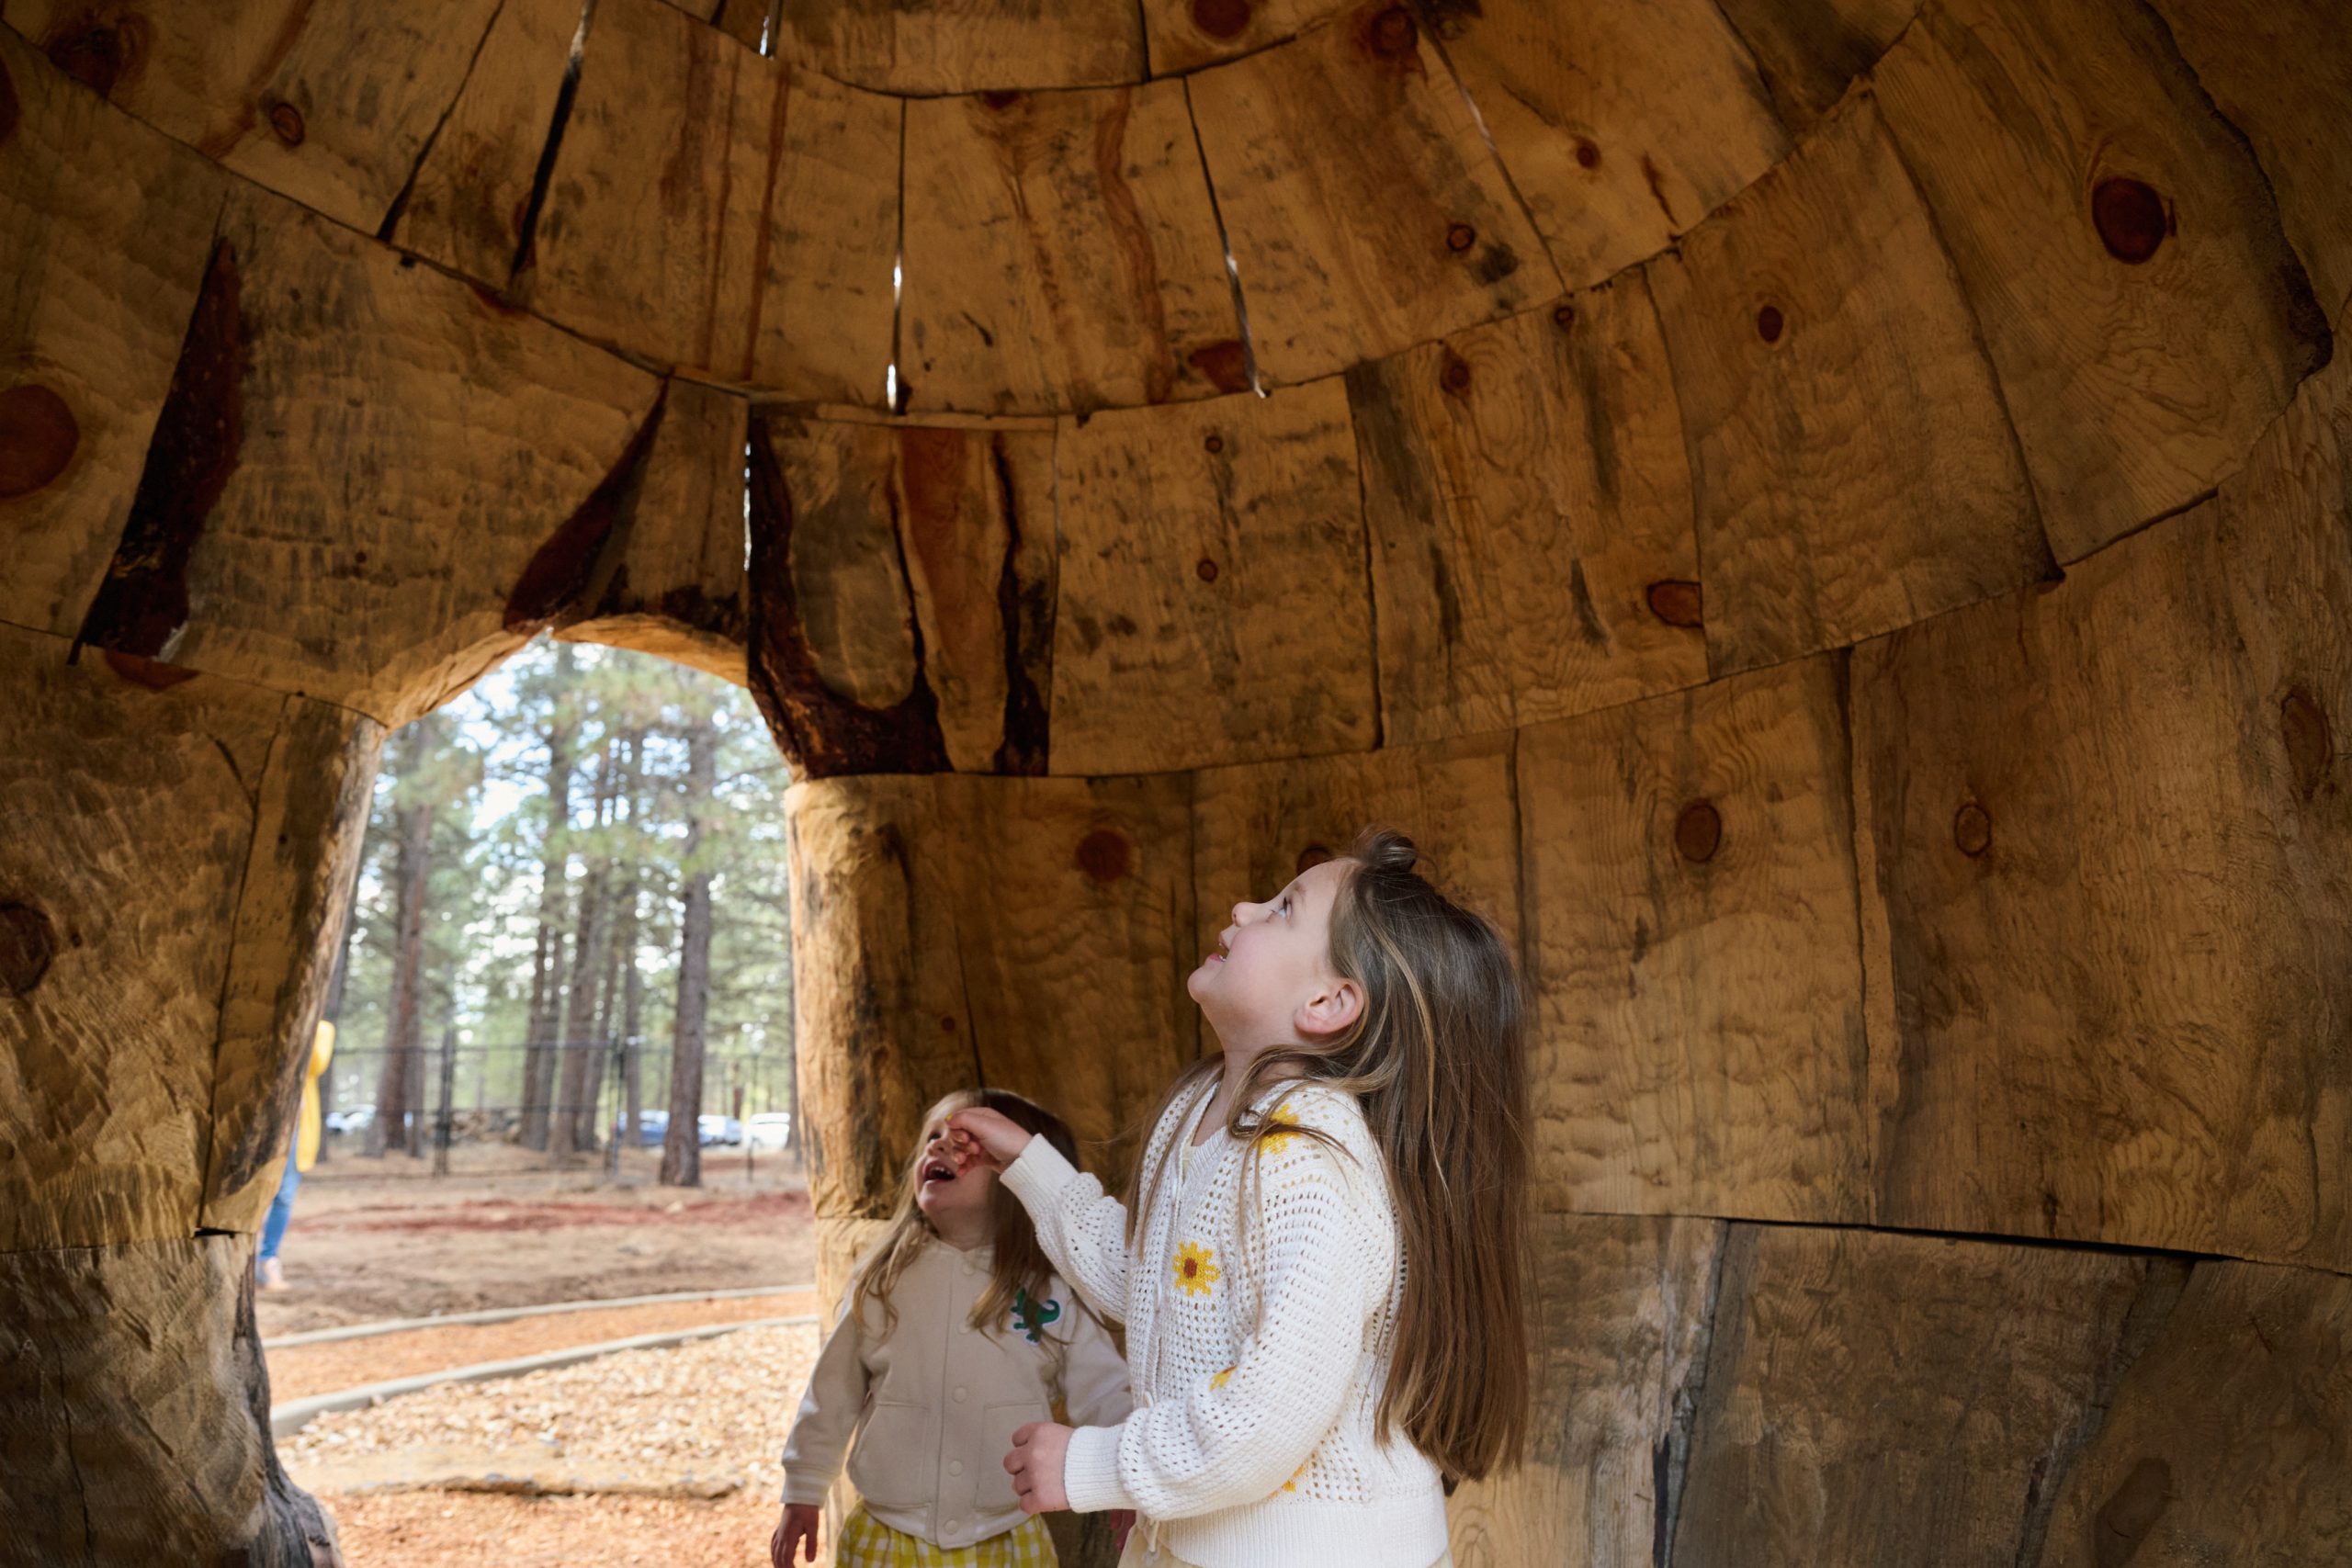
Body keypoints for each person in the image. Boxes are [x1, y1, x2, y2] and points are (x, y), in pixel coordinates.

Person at [949, 827, 1529, 1568]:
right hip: (1203, 1540)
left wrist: (1094, 1465)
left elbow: (1266, 1414)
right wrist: (1032, 1166)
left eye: (1283, 909)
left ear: (1328, 1001)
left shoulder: (1311, 1163)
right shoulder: (1201, 1116)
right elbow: (1158, 1287)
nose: (1243, 907)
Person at [773, 1089, 1133, 1568]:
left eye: (963, 1143)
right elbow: (832, 1392)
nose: (938, 1148)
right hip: (887, 1533)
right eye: (934, 1136)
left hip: (1007, 1537)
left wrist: (1124, 1479)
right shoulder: (882, 1278)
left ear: (1020, 1175)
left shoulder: (1054, 1290)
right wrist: (803, 1487)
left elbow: (1106, 1393)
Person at [257, 1019, 336, 1291]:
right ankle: (244, 1257)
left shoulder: (322, 1029)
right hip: (257, 1121)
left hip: (293, 1129)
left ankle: (268, 1260)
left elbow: (315, 1063)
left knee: (283, 1196)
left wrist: (302, 1023)